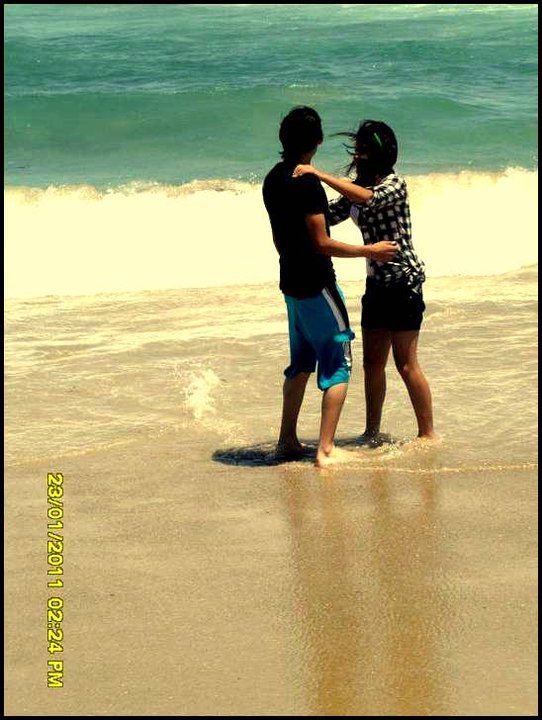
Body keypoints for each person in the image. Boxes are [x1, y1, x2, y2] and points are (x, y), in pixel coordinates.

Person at [262, 107, 398, 467]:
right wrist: (370, 251)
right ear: (318, 141)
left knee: (301, 363)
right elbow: (322, 243)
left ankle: (287, 440)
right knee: (339, 364)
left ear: (283, 138)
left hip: (290, 284)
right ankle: (325, 449)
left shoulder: (272, 178)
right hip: (318, 285)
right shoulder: (308, 184)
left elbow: (280, 237)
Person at [293, 119, 435, 444]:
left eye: (363, 151)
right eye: (357, 151)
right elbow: (329, 215)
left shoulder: (395, 185)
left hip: (404, 283)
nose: (357, 156)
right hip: (376, 286)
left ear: (380, 154)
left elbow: (369, 198)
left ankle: (428, 434)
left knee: (406, 365)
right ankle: (372, 431)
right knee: (372, 364)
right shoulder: (359, 188)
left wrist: (319, 174)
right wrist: (295, 204)